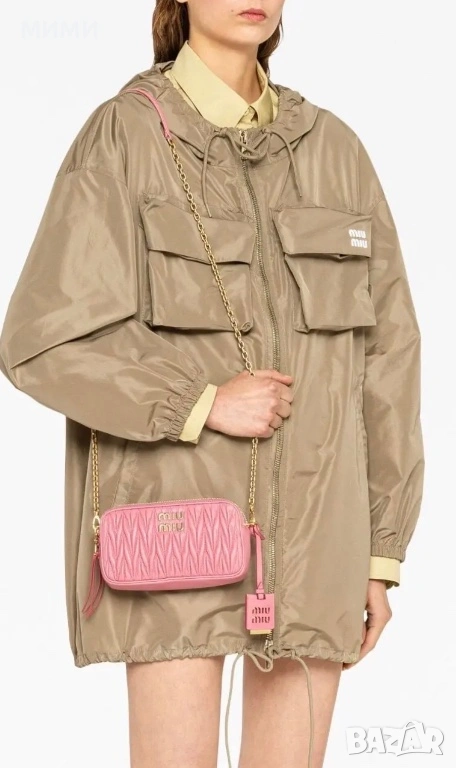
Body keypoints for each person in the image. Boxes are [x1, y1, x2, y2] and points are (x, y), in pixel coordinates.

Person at [0, 1, 425, 766]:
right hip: (176, 531)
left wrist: (379, 552)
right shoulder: (128, 135)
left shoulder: (334, 151)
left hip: (318, 542)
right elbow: (42, 338)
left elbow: (387, 361)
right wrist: (199, 403)